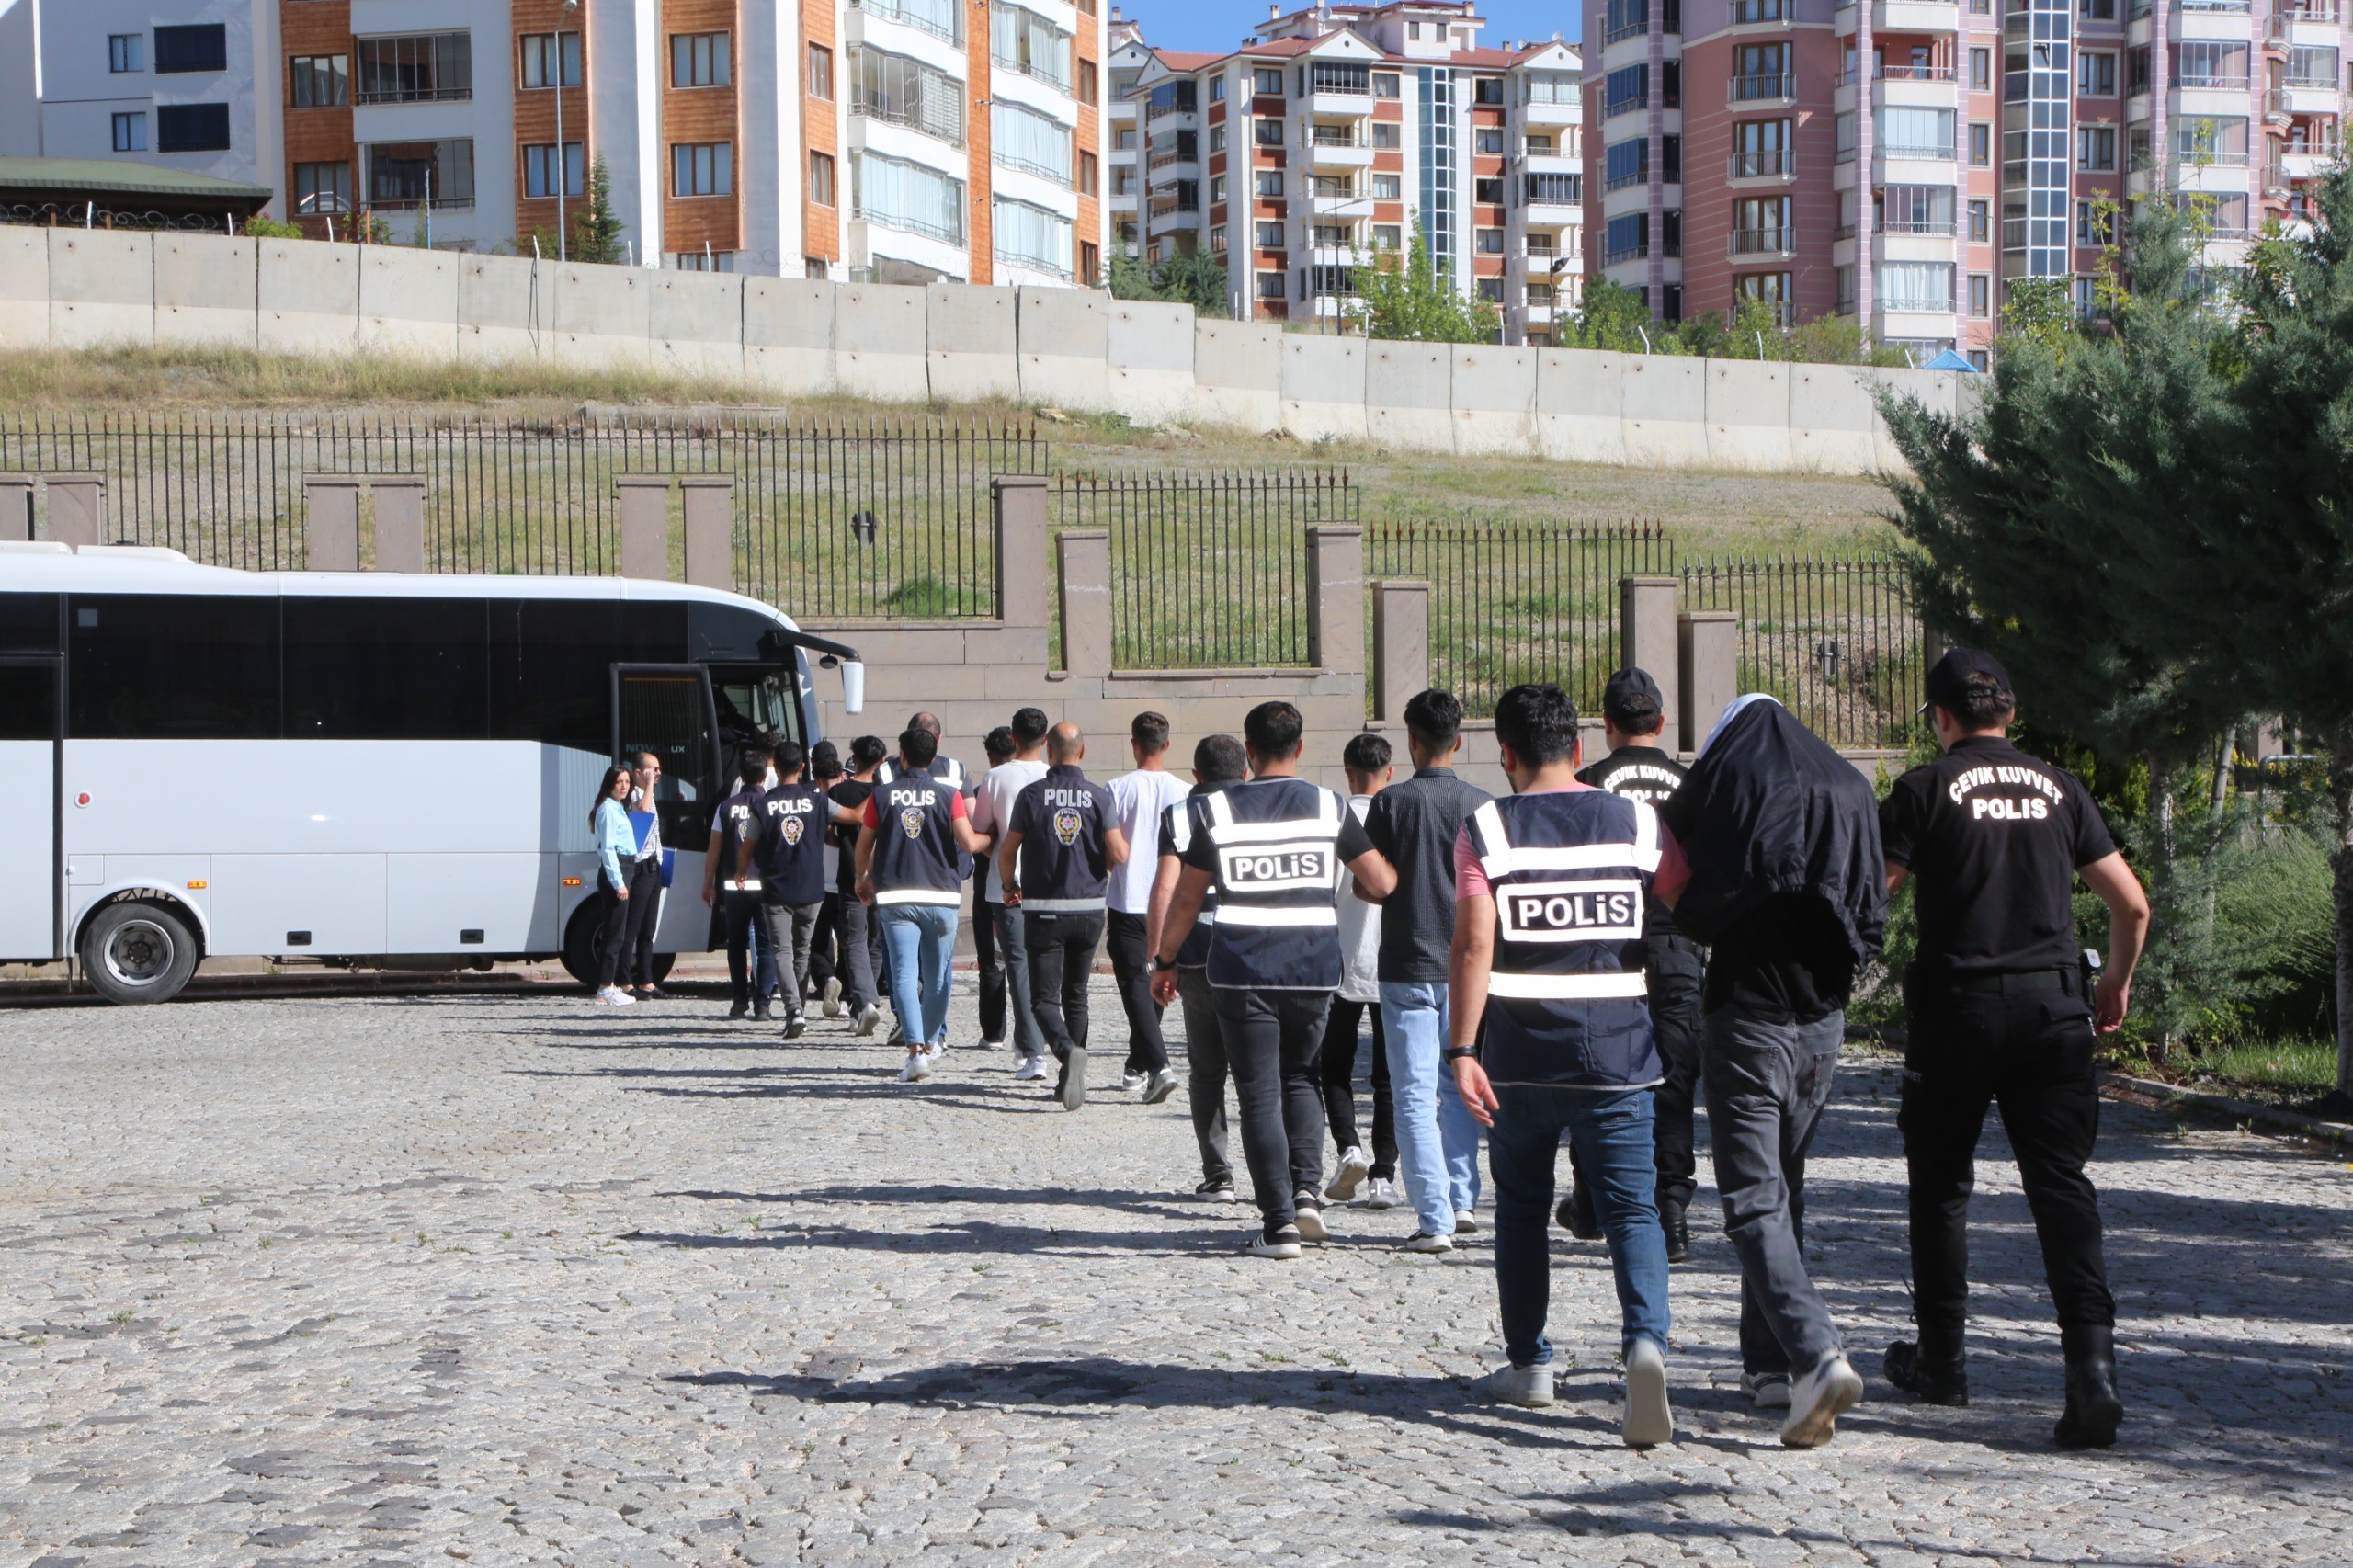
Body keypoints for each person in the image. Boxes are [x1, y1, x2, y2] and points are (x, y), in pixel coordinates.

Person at [1879, 649, 2150, 1450]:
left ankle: (1944, 1362)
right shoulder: (2062, 788)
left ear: (1941, 718)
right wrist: (2116, 985)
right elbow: (2131, 906)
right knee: (2063, 1189)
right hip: (2052, 1013)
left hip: (1957, 1013)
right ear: (2011, 712)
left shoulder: (1924, 790)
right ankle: (2092, 1375)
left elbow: (1874, 891)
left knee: (1940, 1189)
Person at [1446, 683, 1683, 1448]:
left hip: (1518, 1053)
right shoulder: (1637, 820)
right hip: (1619, 1050)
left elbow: (1475, 944)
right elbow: (1677, 892)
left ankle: (1531, 1364)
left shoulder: (1486, 828)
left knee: (1519, 1210)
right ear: (1581, 750)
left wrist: (1460, 1049)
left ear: (1506, 755)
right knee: (1632, 1210)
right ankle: (1645, 1344)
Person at [1658, 694, 1884, 1447]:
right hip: (1823, 1019)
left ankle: (1816, 1352)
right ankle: (1772, 1365)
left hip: (1747, 1014)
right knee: (1786, 1190)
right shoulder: (1849, 784)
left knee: (1753, 1201)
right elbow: (1875, 902)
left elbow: (1671, 882)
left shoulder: (1725, 782)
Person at [1152, 701, 1397, 1259]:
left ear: (1251, 753)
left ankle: (1279, 1223)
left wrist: (1165, 959)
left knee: (1258, 1091)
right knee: (1301, 1079)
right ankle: (1307, 1193)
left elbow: (1188, 897)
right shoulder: (1328, 805)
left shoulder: (1218, 810)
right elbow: (1380, 882)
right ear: (1301, 749)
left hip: (1241, 968)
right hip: (1313, 966)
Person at [1562, 668, 1707, 1263]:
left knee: (1596, 1075)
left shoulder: (1589, 782)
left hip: (1606, 949)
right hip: (1676, 944)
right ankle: (1671, 1214)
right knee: (1673, 1082)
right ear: (1662, 723)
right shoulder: (1693, 783)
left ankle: (1592, 1201)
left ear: (1607, 726)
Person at [1362, 688, 1494, 1253]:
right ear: (1459, 741)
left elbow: (1375, 884)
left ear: (1410, 742)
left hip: (1406, 958)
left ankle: (1434, 1217)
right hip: (1468, 964)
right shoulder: (1482, 804)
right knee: (1460, 1083)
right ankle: (1463, 1200)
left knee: (1412, 1092)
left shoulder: (1390, 803)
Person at [998, 722, 1131, 1111]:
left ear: (1049, 752)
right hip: (1088, 909)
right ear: (1083, 752)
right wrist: (1098, 868)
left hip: (1043, 909)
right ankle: (1068, 1078)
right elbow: (1120, 853)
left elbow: (1008, 851)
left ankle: (1065, 1050)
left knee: (1042, 998)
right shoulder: (1098, 796)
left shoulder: (1031, 795)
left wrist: (1010, 885)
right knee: (1077, 994)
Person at [857, 726, 990, 1083]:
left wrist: (862, 878)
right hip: (941, 896)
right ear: (934, 757)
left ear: (902, 756)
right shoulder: (949, 795)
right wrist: (993, 835)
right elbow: (968, 842)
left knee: (902, 974)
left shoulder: (882, 796)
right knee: (937, 976)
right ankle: (931, 1042)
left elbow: (864, 844)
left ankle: (915, 1051)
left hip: (896, 895)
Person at [1148, 734, 1250, 1202]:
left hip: (1198, 951)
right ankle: (1283, 1179)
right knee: (1260, 1071)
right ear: (1244, 773)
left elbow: (1168, 889)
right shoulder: (1262, 803)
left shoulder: (1180, 815)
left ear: (1197, 776)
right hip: (1255, 950)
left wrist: (1160, 958)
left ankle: (1219, 1174)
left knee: (1207, 1070)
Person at [1322, 733, 1399, 1210]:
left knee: (1334, 1065)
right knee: (1389, 1075)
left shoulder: (1333, 815)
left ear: (1347, 772)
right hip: (1390, 960)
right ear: (1389, 772)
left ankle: (1348, 1145)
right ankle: (1384, 1175)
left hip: (1340, 958)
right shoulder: (1397, 814)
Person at [1107, 711, 1193, 1098]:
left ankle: (1157, 1065)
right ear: (1168, 745)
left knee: (1135, 986)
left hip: (1128, 900)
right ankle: (1137, 1064)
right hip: (1173, 901)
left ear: (1134, 744)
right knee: (1157, 979)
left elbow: (1109, 850)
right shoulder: (1186, 791)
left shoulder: (1116, 789)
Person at [972, 708, 1053, 1076]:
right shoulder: (1055, 776)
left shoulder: (995, 777)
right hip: (1052, 884)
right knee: (1048, 967)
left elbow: (981, 832)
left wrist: (1000, 849)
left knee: (1018, 965)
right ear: (1046, 740)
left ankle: (1031, 1050)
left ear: (1013, 738)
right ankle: (1036, 1043)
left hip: (1006, 884)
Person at [747, 740, 831, 1040]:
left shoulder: (763, 805)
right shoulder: (818, 801)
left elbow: (748, 844)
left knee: (781, 950)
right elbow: (852, 815)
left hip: (776, 888)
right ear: (802, 767)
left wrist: (740, 869)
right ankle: (799, 1011)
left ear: (774, 766)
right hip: (812, 889)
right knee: (802, 951)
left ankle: (793, 1011)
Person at [707, 746, 779, 1019]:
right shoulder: (771, 806)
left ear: (741, 775)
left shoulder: (725, 806)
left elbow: (715, 848)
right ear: (764, 777)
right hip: (764, 883)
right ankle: (763, 1003)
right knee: (766, 944)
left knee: (736, 943)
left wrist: (707, 882)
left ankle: (739, 999)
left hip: (733, 884)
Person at [828, 735, 889, 1037]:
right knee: (875, 942)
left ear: (855, 757)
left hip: (852, 873)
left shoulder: (839, 791)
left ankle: (865, 1002)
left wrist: (843, 839)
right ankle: (861, 1007)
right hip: (884, 876)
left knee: (853, 941)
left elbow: (829, 834)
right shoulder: (887, 793)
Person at [972, 726, 1018, 1051]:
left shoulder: (986, 786)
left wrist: (998, 851)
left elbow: (978, 837)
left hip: (991, 885)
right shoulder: (1038, 783)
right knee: (1025, 960)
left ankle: (994, 1031)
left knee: (992, 960)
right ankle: (1031, 1029)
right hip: (1032, 885)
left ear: (990, 755)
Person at [620, 750, 668, 1001]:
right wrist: (648, 784)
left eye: (659, 770)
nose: (658, 774)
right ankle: (625, 981)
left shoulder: (647, 795)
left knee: (648, 928)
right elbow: (642, 812)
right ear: (638, 773)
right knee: (633, 927)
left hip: (653, 866)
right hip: (639, 869)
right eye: (653, 769)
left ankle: (647, 979)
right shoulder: (633, 795)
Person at [590, 766, 639, 1006]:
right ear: (610, 783)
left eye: (627, 782)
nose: (623, 786)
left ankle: (609, 985)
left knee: (617, 930)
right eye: (619, 781)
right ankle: (605, 988)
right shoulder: (608, 809)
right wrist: (618, 882)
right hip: (617, 868)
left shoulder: (618, 808)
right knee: (614, 932)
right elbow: (608, 848)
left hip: (626, 865)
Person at [806, 741, 847, 1017]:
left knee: (818, 942)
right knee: (850, 942)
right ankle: (844, 995)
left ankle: (826, 981)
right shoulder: (851, 795)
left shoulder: (810, 800)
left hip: (818, 883)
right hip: (847, 882)